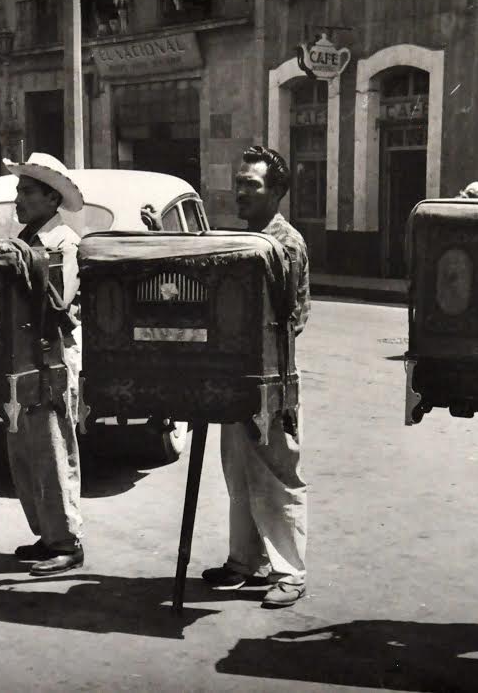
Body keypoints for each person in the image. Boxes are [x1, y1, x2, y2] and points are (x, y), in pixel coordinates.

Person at [201, 146, 310, 608]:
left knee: (276, 473)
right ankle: (245, 561)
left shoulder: (284, 243)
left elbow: (295, 314)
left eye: (253, 184)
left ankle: (290, 571)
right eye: (240, 181)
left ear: (278, 192)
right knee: (239, 471)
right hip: (237, 373)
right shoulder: (248, 239)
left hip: (271, 378)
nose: (241, 191)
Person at [2, 152, 85, 576]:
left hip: (52, 356)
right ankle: (45, 532)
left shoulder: (63, 242)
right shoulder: (26, 236)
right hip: (21, 357)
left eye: (26, 190)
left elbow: (60, 302)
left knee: (52, 446)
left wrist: (24, 263)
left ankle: (66, 540)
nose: (18, 197)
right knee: (23, 448)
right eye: (18, 189)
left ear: (51, 198)